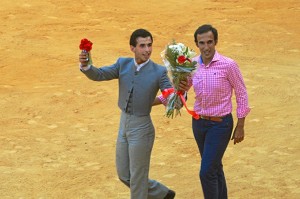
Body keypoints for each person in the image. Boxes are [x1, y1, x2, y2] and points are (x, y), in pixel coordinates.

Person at [78, 29, 176, 199]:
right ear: (132, 48)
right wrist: (86, 66)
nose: (147, 50)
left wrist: (177, 94)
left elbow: (170, 95)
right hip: (124, 123)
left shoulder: (159, 71)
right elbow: (100, 74)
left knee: (137, 179)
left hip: (142, 127)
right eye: (142, 46)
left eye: (150, 45)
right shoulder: (123, 64)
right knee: (125, 175)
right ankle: (162, 193)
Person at [180, 24, 251, 198]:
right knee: (214, 168)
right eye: (201, 43)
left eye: (210, 42)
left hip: (220, 126)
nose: (206, 47)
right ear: (197, 44)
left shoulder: (228, 65)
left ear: (216, 42)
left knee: (206, 172)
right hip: (198, 123)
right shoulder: (192, 65)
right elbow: (185, 89)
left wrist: (241, 124)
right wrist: (179, 88)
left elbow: (241, 93)